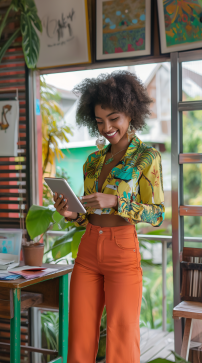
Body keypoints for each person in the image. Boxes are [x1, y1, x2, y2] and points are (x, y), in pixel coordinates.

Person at [53, 70, 165, 363]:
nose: (107, 128)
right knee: (79, 339)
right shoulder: (92, 162)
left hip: (122, 250)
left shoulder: (147, 157)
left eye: (113, 118)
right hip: (88, 249)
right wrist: (69, 212)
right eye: (100, 121)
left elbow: (157, 214)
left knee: (122, 342)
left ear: (130, 112)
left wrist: (117, 201)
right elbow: (87, 213)